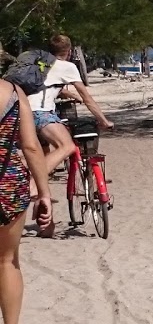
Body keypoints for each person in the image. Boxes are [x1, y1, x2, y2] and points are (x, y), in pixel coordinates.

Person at [29, 35, 114, 237]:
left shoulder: (39, 63)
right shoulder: (67, 66)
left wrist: (69, 95)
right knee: (66, 146)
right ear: (68, 52)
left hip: (19, 113)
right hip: (40, 114)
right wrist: (103, 120)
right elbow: (87, 98)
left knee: (42, 157)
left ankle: (45, 226)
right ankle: (32, 182)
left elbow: (47, 87)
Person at [0, 77, 54, 324]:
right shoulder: (11, 91)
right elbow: (31, 146)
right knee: (6, 261)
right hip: (7, 185)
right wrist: (44, 192)